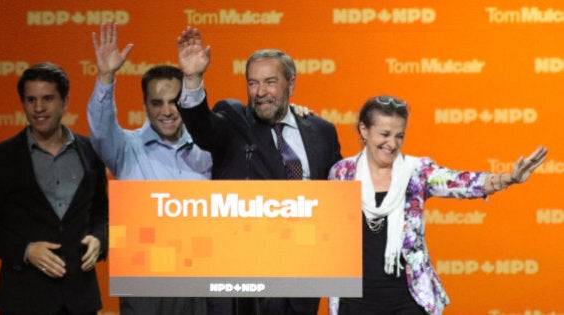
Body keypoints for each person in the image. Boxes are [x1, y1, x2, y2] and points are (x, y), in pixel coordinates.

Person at [327, 95, 548, 315]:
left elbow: (461, 182)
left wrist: (506, 179)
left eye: (399, 136)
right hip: (355, 302)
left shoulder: (417, 171)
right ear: (364, 130)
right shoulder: (341, 173)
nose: (392, 144)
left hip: (407, 300)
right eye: (384, 134)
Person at [176, 26, 342, 315]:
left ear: (291, 84)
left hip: (303, 273)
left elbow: (336, 198)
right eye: (252, 83)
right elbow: (204, 130)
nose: (260, 92)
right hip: (247, 274)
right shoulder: (233, 120)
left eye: (270, 82)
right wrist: (192, 79)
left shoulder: (321, 131)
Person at [87, 22, 212, 314]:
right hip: (144, 285)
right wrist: (106, 77)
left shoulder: (207, 151)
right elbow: (100, 128)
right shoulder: (125, 149)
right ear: (145, 105)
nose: (166, 111)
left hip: (199, 281)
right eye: (157, 103)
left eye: (174, 102)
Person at [0, 62, 109, 315]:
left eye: (47, 99)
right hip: (23, 298)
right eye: (30, 100)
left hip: (80, 298)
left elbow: (103, 212)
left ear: (65, 102)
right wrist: (25, 250)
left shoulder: (91, 152)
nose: (38, 108)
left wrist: (101, 240)